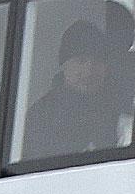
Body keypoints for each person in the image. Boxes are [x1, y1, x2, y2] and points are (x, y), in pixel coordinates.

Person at [25, 20, 120, 158]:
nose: (89, 71)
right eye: (81, 61)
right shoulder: (41, 115)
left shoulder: (117, 109)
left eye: (97, 62)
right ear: (64, 65)